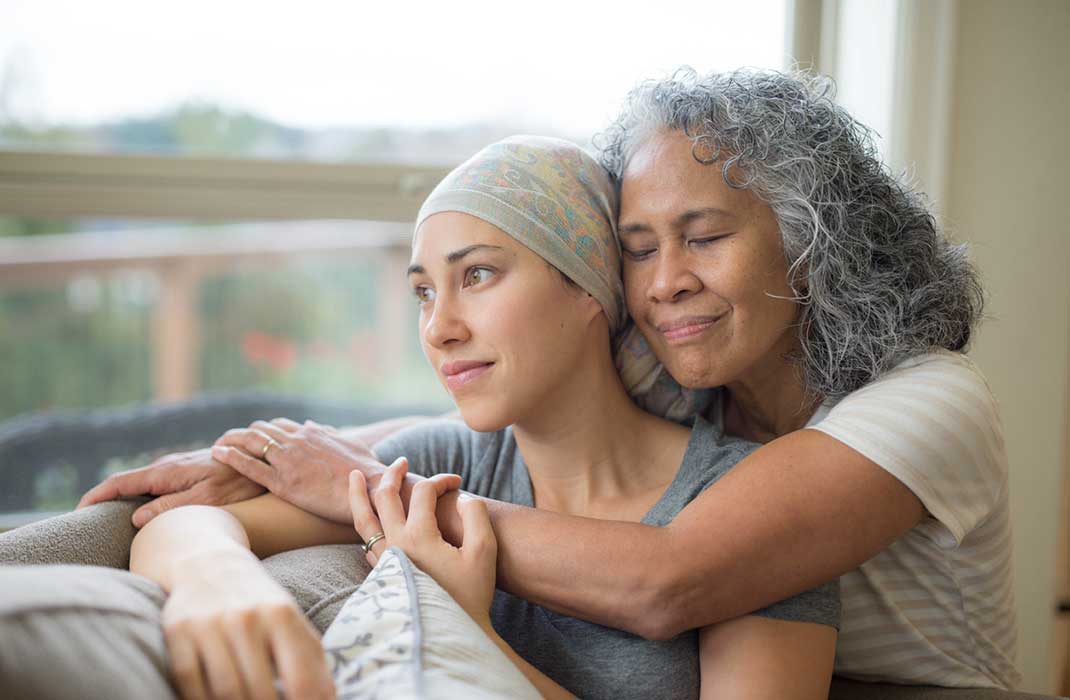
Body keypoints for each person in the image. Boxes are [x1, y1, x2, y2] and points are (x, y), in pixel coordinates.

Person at [83, 68, 1019, 689]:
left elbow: (673, 577)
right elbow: (499, 422)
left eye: (705, 237)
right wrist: (253, 470)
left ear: (813, 243)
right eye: (638, 249)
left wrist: (369, 492)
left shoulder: (928, 400)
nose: (663, 285)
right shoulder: (691, 376)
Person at [128, 135, 839, 700]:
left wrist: (471, 635)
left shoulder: (741, 512)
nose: (439, 328)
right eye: (422, 292)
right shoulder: (443, 465)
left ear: (588, 286)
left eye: (477, 275)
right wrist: (216, 580)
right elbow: (183, 523)